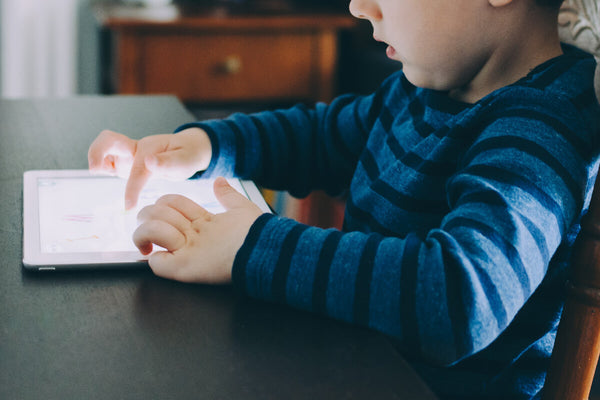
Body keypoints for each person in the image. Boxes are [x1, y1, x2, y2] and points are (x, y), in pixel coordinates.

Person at [88, 0, 600, 398]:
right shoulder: (429, 87)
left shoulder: (540, 128)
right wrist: (206, 146)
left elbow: (460, 297)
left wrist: (253, 244)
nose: (359, 7)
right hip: (356, 365)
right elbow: (321, 137)